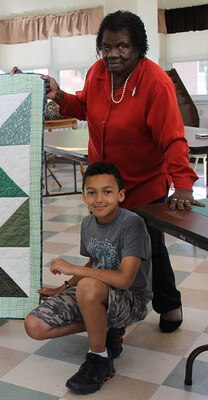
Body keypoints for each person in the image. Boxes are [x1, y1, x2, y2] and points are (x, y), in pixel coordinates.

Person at [42, 10, 203, 333]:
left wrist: (183, 185)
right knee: (107, 248)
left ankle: (169, 304)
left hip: (144, 184)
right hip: (105, 184)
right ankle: (110, 309)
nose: (113, 54)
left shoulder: (155, 81)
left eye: (122, 47)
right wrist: (61, 97)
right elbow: (86, 106)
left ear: (138, 47)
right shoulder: (98, 73)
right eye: (107, 46)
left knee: (147, 248)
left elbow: (172, 138)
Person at [24, 162, 152, 394]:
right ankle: (106, 328)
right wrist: (61, 288)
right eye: (91, 192)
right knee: (35, 327)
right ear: (84, 197)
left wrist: (73, 269)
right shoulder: (88, 223)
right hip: (94, 292)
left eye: (107, 191)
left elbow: (124, 280)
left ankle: (99, 357)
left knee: (87, 285)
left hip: (131, 300)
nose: (99, 199)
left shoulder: (133, 224)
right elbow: (94, 262)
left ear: (121, 195)